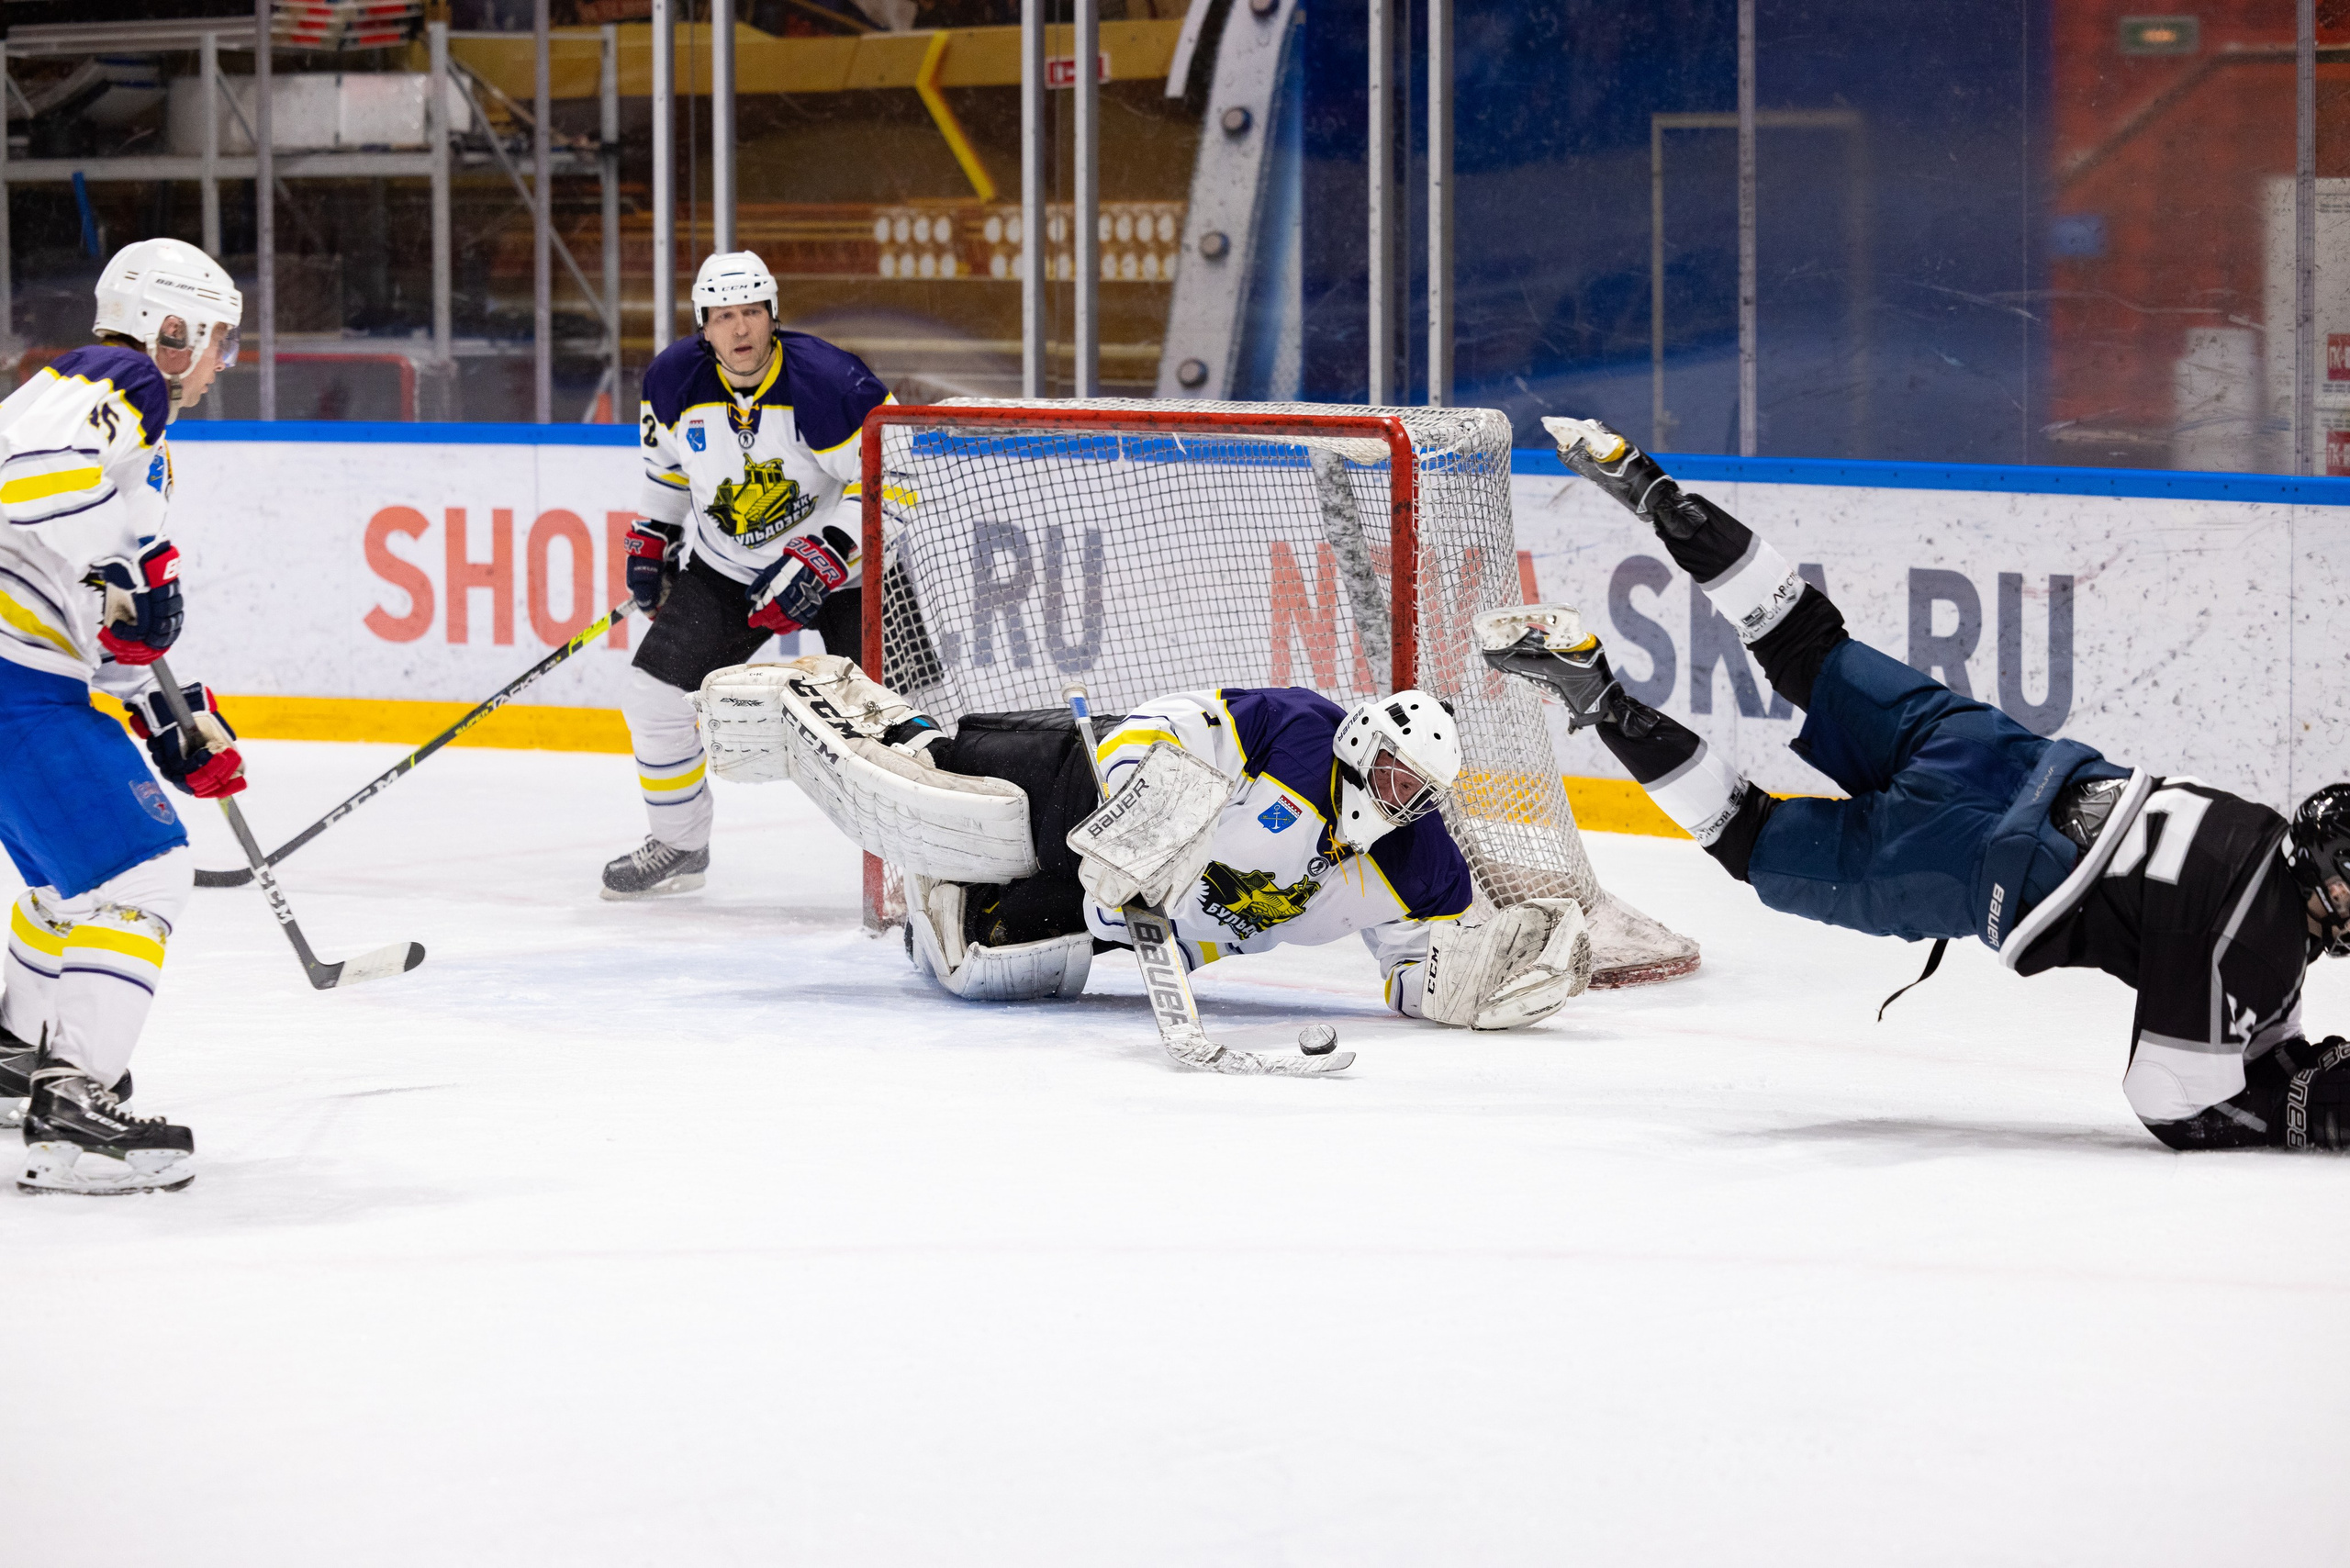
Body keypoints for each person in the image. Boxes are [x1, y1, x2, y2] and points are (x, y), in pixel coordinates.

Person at [1481, 416, 2350, 1150]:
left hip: (1989, 752)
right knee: (1748, 836)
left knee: (1801, 637)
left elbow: (2238, 983)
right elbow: (2169, 1096)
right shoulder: (2261, 941)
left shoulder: (2257, 830)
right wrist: (2302, 1114)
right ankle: (1594, 692)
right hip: (1966, 855)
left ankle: (1651, 487)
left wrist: (2292, 1055)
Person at [695, 657, 1595, 1030]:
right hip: (1081, 790)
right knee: (942, 789)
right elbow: (1168, 724)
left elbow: (1408, 972)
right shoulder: (1297, 731)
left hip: (1132, 923)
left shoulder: (1422, 863)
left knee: (982, 967)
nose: (1402, 801)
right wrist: (1137, 811)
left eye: (1419, 792)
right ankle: (838, 704)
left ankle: (946, 898)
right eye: (1394, 776)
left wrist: (1466, 987)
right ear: (1364, 742)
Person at [0, 237, 250, 1193]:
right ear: (169, 329)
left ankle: (16, 1055)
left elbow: (103, 622)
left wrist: (170, 716)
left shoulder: (122, 430)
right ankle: (73, 1114)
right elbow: (29, 486)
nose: (221, 362)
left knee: (72, 886)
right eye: (217, 339)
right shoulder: (120, 378)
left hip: (29, 674)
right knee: (143, 872)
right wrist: (134, 566)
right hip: (13, 680)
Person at [601, 251, 893, 899]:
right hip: (730, 568)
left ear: (773, 315)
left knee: (894, 718)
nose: (740, 329)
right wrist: (655, 535)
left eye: (753, 313)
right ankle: (680, 842)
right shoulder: (672, 380)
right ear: (703, 325)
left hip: (852, 573)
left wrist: (825, 555)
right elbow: (668, 470)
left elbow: (893, 482)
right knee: (653, 698)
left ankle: (919, 867)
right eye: (724, 316)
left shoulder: (831, 381)